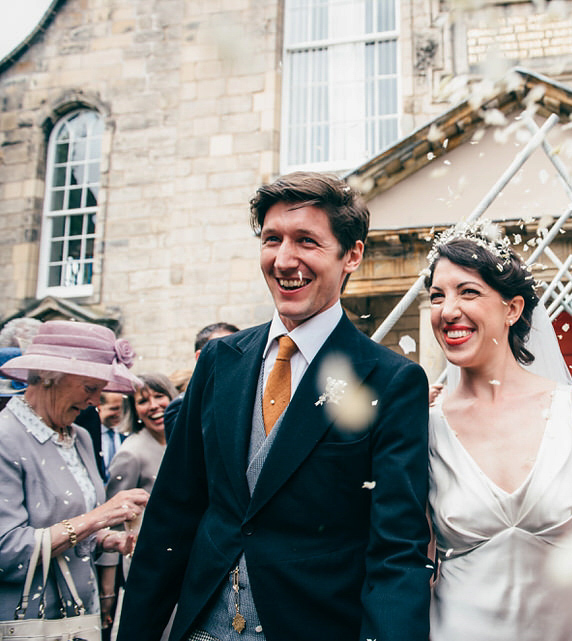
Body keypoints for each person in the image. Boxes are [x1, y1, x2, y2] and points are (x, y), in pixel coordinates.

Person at [117, 172, 432, 641]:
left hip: (315, 624)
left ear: (352, 255)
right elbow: (173, 514)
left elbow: (396, 550)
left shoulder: (390, 381)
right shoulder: (220, 363)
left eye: (307, 241)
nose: (285, 260)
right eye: (272, 239)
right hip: (204, 625)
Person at [425, 224, 572, 641]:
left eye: (468, 292)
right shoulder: (424, 425)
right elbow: (413, 565)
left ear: (512, 309)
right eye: (438, 296)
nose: (448, 310)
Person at [0, 321, 148, 623]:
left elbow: (71, 527)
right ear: (48, 378)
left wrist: (107, 539)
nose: (96, 401)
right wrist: (100, 517)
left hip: (79, 618)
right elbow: (7, 553)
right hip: (26, 621)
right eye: (91, 388)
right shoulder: (5, 438)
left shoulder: (79, 436)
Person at [102, 373, 177, 636]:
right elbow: (112, 520)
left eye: (159, 396)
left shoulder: (182, 441)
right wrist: (108, 588)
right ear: (133, 410)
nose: (154, 405)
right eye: (143, 401)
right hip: (148, 562)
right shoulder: (130, 453)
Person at [163, 322, 239, 440]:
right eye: (224, 349)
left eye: (238, 350)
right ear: (200, 356)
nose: (233, 356)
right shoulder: (182, 406)